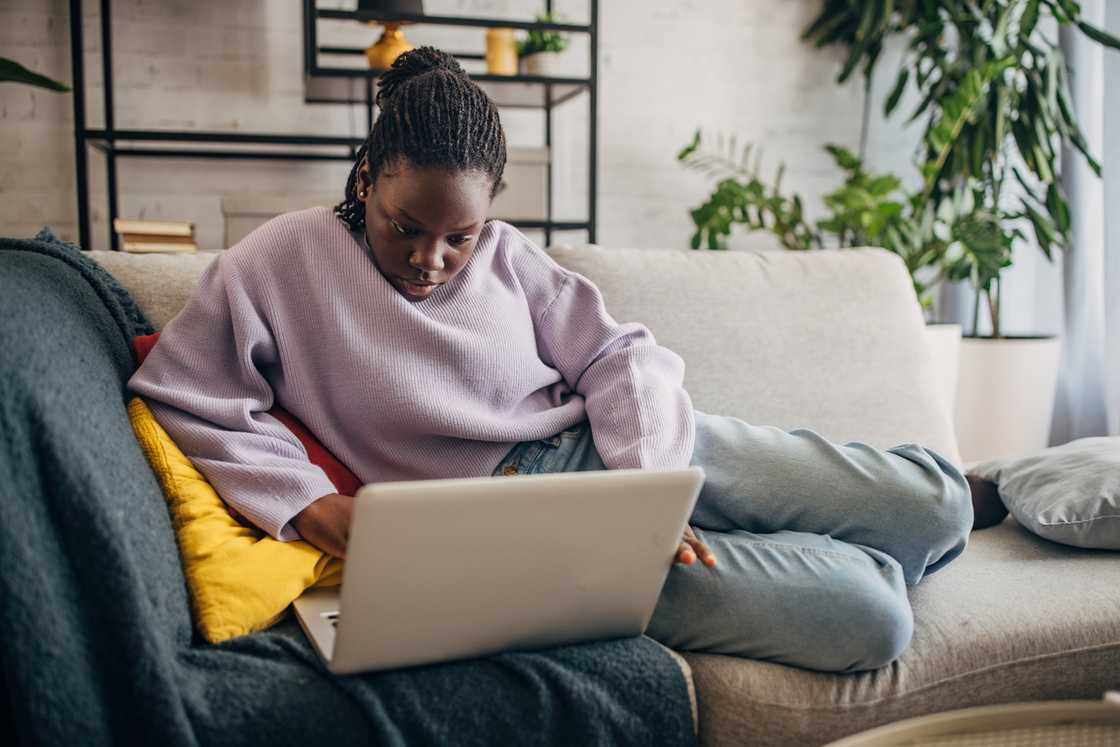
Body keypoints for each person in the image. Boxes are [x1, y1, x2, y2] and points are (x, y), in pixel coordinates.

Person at [129, 47, 974, 674]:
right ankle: (856, 561)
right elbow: (185, 391)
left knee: (940, 503)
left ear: (489, 211)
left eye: (458, 236)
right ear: (365, 180)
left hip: (635, 452)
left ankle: (902, 532)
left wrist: (645, 482)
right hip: (525, 533)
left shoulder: (506, 257)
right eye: (404, 226)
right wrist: (309, 504)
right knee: (872, 616)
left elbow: (618, 353)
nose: (431, 259)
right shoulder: (279, 260)